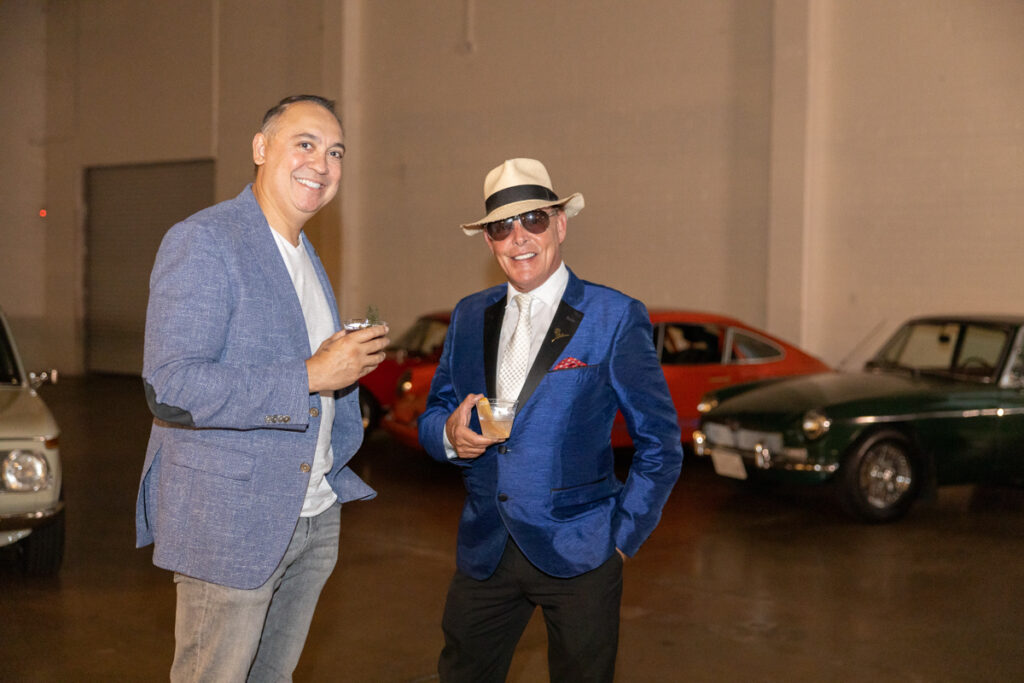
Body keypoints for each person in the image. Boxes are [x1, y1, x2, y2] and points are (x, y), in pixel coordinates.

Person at [135, 94, 390, 682]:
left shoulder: (306, 254)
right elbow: (171, 387)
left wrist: (342, 366)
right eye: (305, 144)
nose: (321, 164)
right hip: (231, 519)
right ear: (260, 148)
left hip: (313, 514)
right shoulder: (204, 241)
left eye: (335, 152)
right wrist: (310, 375)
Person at [419, 158, 684, 682]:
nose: (519, 238)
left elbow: (661, 444)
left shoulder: (612, 316)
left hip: (582, 550)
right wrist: (448, 436)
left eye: (533, 220)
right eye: (501, 227)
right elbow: (434, 412)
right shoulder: (469, 316)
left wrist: (621, 540)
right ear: (490, 242)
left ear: (560, 224)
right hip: (486, 550)